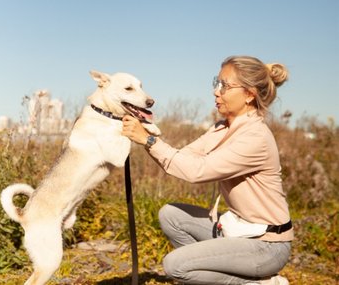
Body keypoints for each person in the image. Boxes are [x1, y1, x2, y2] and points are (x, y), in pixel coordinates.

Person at [122, 55, 293, 285]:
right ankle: (208, 277)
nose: (216, 91)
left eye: (225, 86)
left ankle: (258, 283)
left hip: (266, 244)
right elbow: (183, 158)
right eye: (217, 82)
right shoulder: (222, 128)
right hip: (236, 230)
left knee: (175, 266)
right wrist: (147, 135)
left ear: (249, 94)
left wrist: (150, 141)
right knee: (171, 215)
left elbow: (197, 172)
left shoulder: (255, 137)